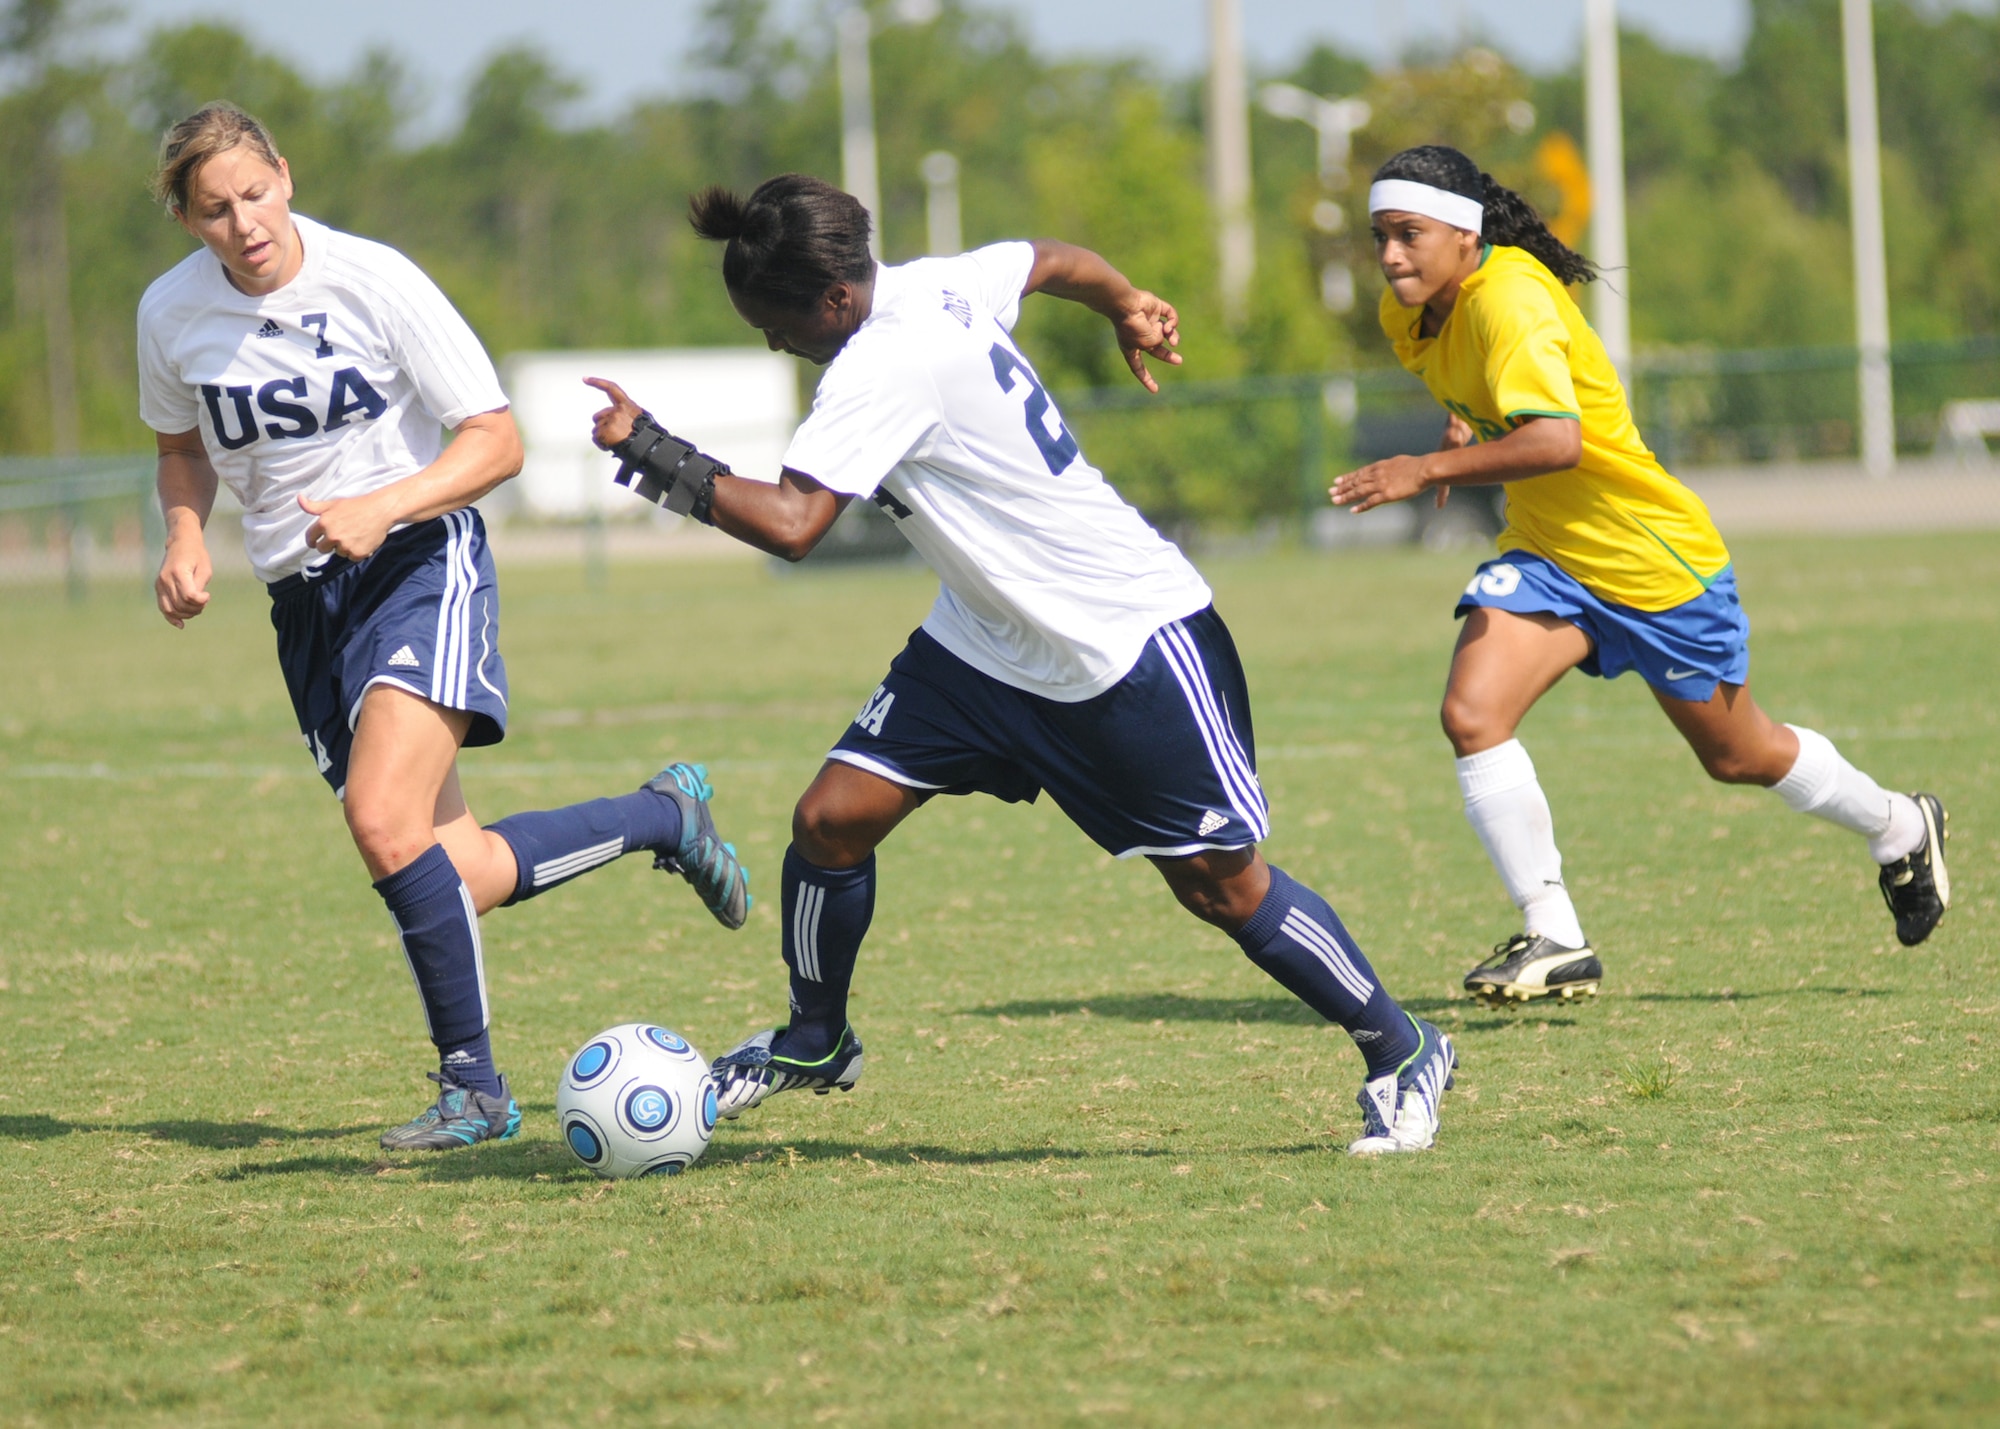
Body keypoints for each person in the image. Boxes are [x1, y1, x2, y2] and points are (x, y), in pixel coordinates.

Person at [585, 173, 1455, 1154]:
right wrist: (1125, 299)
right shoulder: (931, 283)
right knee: (831, 820)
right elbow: (1047, 261)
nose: (773, 343)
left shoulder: (880, 362)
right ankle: (813, 1039)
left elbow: (794, 525)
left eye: (775, 324)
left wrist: (655, 450)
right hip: (984, 642)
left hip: (1120, 645)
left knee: (1220, 885)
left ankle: (1401, 1046)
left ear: (832, 299)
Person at [137, 102, 751, 1151]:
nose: (243, 222)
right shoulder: (171, 314)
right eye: (214, 210)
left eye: (254, 193)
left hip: (419, 562)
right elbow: (181, 447)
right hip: (305, 604)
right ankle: (661, 817)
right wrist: (185, 537)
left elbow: (497, 440)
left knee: (381, 819)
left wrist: (386, 505)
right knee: (451, 868)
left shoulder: (373, 280)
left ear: (285, 175)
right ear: (187, 222)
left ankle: (474, 1086)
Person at [1331, 144, 1949, 1005]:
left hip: (1651, 562)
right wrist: (1463, 426)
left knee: (1739, 755)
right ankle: (1555, 933)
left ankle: (1900, 823)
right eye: (1380, 236)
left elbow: (1556, 441)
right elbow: (1486, 380)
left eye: (1409, 233)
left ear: (1466, 233)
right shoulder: (1416, 312)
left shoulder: (1511, 298)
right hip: (1550, 555)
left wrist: (1422, 471)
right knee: (1472, 712)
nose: (1391, 254)